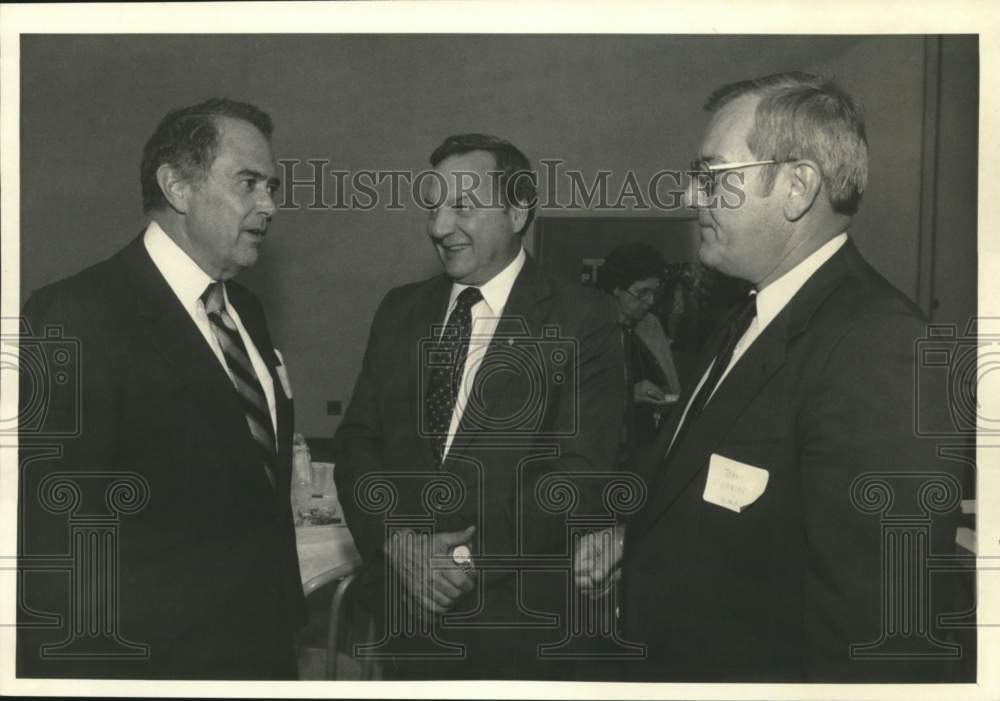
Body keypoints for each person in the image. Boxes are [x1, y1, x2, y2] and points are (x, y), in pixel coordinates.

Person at [574, 72, 970, 681]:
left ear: (796, 187)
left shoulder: (882, 346)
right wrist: (638, 534)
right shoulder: (747, 313)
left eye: (712, 177)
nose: (688, 197)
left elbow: (876, 643)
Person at [17, 99, 304, 679]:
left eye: (271, 186)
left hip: (262, 648)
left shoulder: (244, 308)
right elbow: (58, 541)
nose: (270, 206)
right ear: (177, 187)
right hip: (154, 661)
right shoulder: (74, 314)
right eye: (249, 183)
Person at [333, 133, 624, 680]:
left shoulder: (584, 317)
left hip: (518, 627)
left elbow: (579, 472)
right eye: (434, 206)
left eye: (462, 206)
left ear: (517, 212)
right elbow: (356, 442)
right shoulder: (400, 311)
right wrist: (398, 544)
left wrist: (458, 565)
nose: (439, 227)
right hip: (405, 619)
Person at [596, 243, 682, 454]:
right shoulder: (588, 327)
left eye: (655, 292)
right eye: (642, 293)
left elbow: (673, 388)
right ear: (616, 288)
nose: (650, 301)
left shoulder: (650, 324)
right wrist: (627, 395)